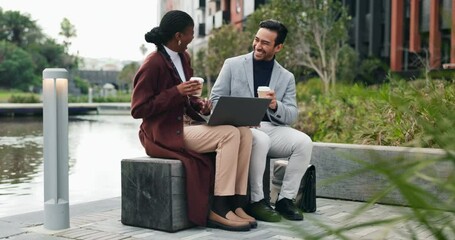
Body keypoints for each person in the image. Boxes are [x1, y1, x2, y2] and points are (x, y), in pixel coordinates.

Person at [130, 10, 256, 231]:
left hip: (186, 124)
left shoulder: (183, 58)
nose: (192, 38)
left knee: (244, 131)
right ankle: (218, 206)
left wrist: (200, 104)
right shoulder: (153, 64)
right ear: (178, 35)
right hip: (164, 132)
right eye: (190, 33)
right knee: (229, 133)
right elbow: (138, 108)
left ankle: (236, 202)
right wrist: (176, 92)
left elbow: (186, 98)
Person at [210, 19, 313, 222]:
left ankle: (285, 200)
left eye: (265, 43)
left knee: (304, 142)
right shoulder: (232, 65)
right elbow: (215, 100)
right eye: (256, 40)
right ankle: (257, 201)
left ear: (278, 47)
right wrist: (238, 117)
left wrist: (275, 105)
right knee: (260, 140)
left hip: (271, 127)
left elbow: (292, 115)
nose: (258, 46)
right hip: (240, 128)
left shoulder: (286, 77)